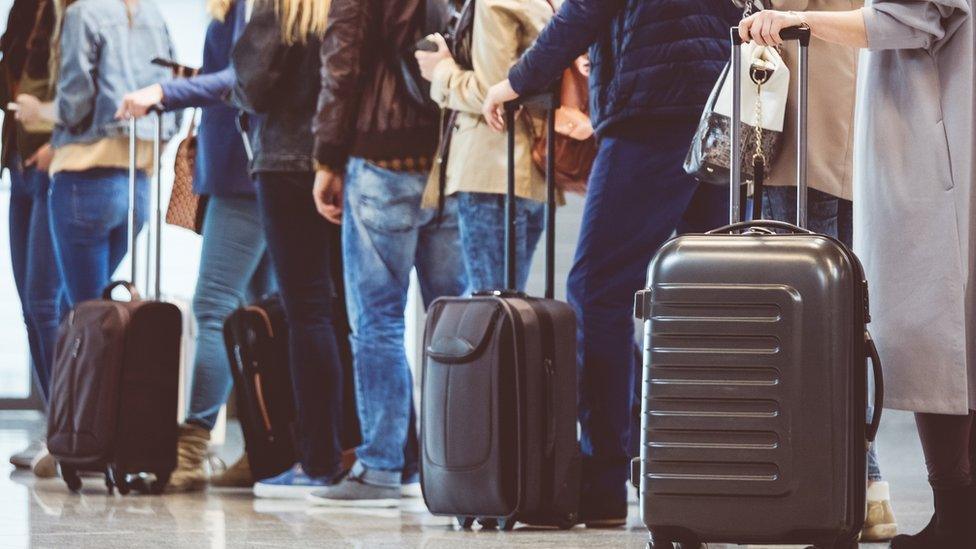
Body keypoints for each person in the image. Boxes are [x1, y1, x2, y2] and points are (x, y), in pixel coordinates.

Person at [481, 1, 741, 526]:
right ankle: (705, 476)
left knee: (598, 288)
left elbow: (584, 10)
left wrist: (514, 81)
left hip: (654, 110)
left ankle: (601, 484)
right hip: (719, 103)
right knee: (705, 298)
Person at [739, 4, 974, 547]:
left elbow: (910, 17)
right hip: (938, 130)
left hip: (930, 144)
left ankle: (956, 513)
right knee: (949, 334)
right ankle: (959, 514)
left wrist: (799, 21)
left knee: (931, 335)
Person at [737, 0, 898, 541]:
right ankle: (866, 489)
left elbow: (784, 10)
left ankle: (833, 491)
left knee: (807, 331)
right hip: (846, 132)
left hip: (800, 139)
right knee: (846, 321)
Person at [306, 0, 467, 507]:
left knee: (378, 320)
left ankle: (380, 466)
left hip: (382, 157)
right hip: (452, 154)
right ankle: (462, 461)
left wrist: (327, 158)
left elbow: (342, 65)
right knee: (455, 320)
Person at [115, 0, 274, 492]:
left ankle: (193, 446)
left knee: (215, 308)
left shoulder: (252, 5)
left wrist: (168, 90)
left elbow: (240, 77)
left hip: (244, 175)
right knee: (259, 315)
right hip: (251, 170)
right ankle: (266, 448)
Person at [232, 0, 352, 499]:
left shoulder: (281, 7)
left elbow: (252, 87)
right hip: (347, 161)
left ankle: (319, 460)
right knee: (353, 313)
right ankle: (383, 454)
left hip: (285, 163)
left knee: (307, 314)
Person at [45, 0, 178, 307]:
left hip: (85, 179)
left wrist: (38, 110)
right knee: (92, 307)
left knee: (85, 312)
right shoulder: (153, 15)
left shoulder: (84, 13)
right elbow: (174, 95)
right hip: (138, 184)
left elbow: (74, 105)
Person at [414, 0, 552, 293]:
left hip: (491, 167)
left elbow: (494, 93)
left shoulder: (493, 3)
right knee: (511, 307)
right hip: (531, 169)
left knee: (492, 309)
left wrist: (441, 71)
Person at [2, 0, 63, 477]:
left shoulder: (83, 10)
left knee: (48, 304)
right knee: (31, 304)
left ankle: (71, 428)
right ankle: (58, 425)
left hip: (58, 167)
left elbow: (88, 92)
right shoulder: (26, 8)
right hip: (20, 165)